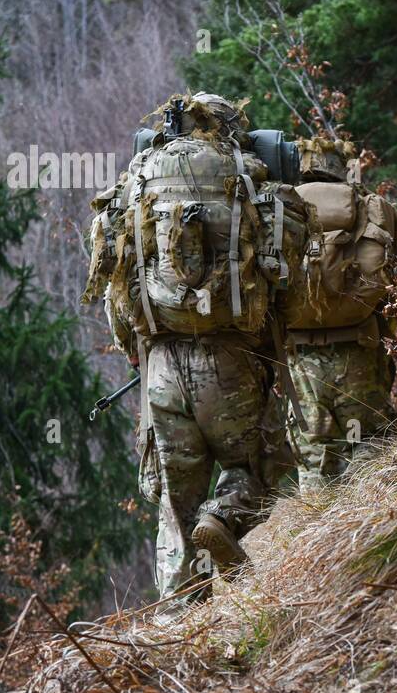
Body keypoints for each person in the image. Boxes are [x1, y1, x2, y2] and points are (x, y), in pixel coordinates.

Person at [82, 93, 308, 606]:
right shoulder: (250, 179)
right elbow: (288, 281)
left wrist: (136, 351)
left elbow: (114, 286)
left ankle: (180, 623)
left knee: (173, 505)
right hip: (230, 361)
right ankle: (223, 516)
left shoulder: (135, 183)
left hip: (159, 362)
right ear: (230, 128)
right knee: (261, 470)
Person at [283, 137, 397, 494]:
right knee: (369, 449)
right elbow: (393, 283)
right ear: (341, 166)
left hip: (301, 363)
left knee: (316, 461)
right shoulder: (371, 209)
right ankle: (368, 535)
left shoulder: (277, 211)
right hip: (360, 352)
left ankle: (318, 539)